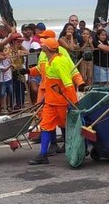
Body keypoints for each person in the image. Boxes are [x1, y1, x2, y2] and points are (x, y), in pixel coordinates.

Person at [28, 37, 80, 165]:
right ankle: (43, 155)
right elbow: (41, 71)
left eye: (43, 45)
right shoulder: (49, 60)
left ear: (48, 48)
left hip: (61, 102)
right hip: (51, 102)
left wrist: (74, 103)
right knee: (45, 126)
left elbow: (68, 84)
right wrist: (28, 71)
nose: (42, 46)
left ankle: (75, 148)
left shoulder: (58, 62)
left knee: (66, 127)